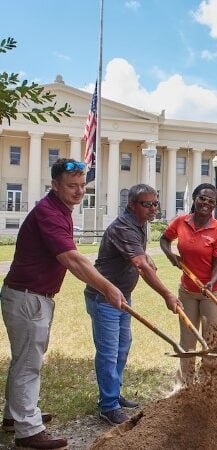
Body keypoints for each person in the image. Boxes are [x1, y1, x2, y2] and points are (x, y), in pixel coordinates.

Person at [1, 159, 126, 449]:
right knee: (28, 365)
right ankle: (28, 430)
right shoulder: (49, 213)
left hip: (31, 296)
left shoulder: (60, 210)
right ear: (54, 185)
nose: (79, 191)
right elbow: (71, 259)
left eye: (83, 185)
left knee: (24, 360)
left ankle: (15, 416)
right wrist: (107, 287)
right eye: (72, 186)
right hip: (28, 297)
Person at [84, 184, 179, 425]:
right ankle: (108, 406)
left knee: (122, 348)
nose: (153, 209)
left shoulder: (139, 224)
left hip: (122, 296)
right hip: (105, 297)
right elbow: (140, 265)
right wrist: (167, 294)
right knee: (108, 351)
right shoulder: (124, 227)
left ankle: (113, 393)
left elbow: (137, 255)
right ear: (131, 205)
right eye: (147, 204)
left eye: (155, 203)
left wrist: (146, 257)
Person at [161, 183, 217, 386]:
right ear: (194, 198)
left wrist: (210, 284)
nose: (206, 203)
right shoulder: (181, 222)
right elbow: (164, 240)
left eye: (211, 201)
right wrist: (170, 255)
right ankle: (185, 384)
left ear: (215, 205)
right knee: (187, 340)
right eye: (202, 198)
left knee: (211, 340)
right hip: (187, 291)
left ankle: (210, 383)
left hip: (213, 291)